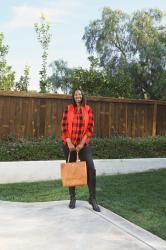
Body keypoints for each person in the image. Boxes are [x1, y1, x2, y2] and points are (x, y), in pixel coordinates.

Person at [61, 88, 101, 212]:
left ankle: (92, 198)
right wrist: (69, 142)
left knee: (91, 169)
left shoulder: (88, 109)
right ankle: (72, 198)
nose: (78, 96)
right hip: (69, 145)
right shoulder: (68, 108)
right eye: (75, 95)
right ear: (73, 97)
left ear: (83, 96)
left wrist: (81, 144)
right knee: (71, 170)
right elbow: (63, 126)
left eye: (80, 94)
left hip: (83, 145)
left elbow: (90, 128)